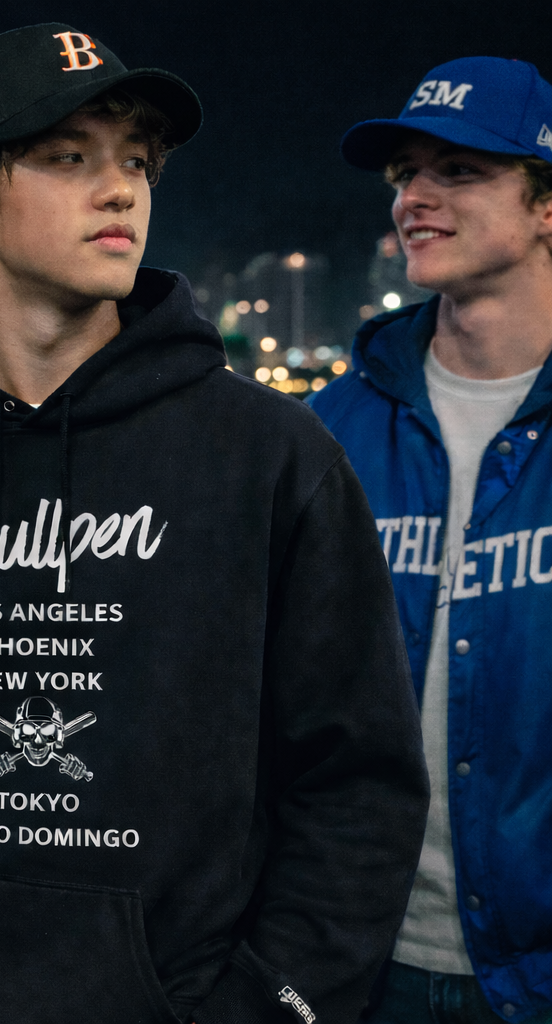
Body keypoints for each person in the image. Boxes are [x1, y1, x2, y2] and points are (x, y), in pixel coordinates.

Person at [0, 24, 429, 1024]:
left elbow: (358, 786)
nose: (119, 189)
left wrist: (269, 1005)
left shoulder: (271, 458)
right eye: (68, 158)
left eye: (134, 161)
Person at [309, 56, 552, 1024]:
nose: (414, 196)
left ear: (545, 205)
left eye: (457, 170)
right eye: (404, 173)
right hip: (358, 964)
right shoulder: (327, 431)